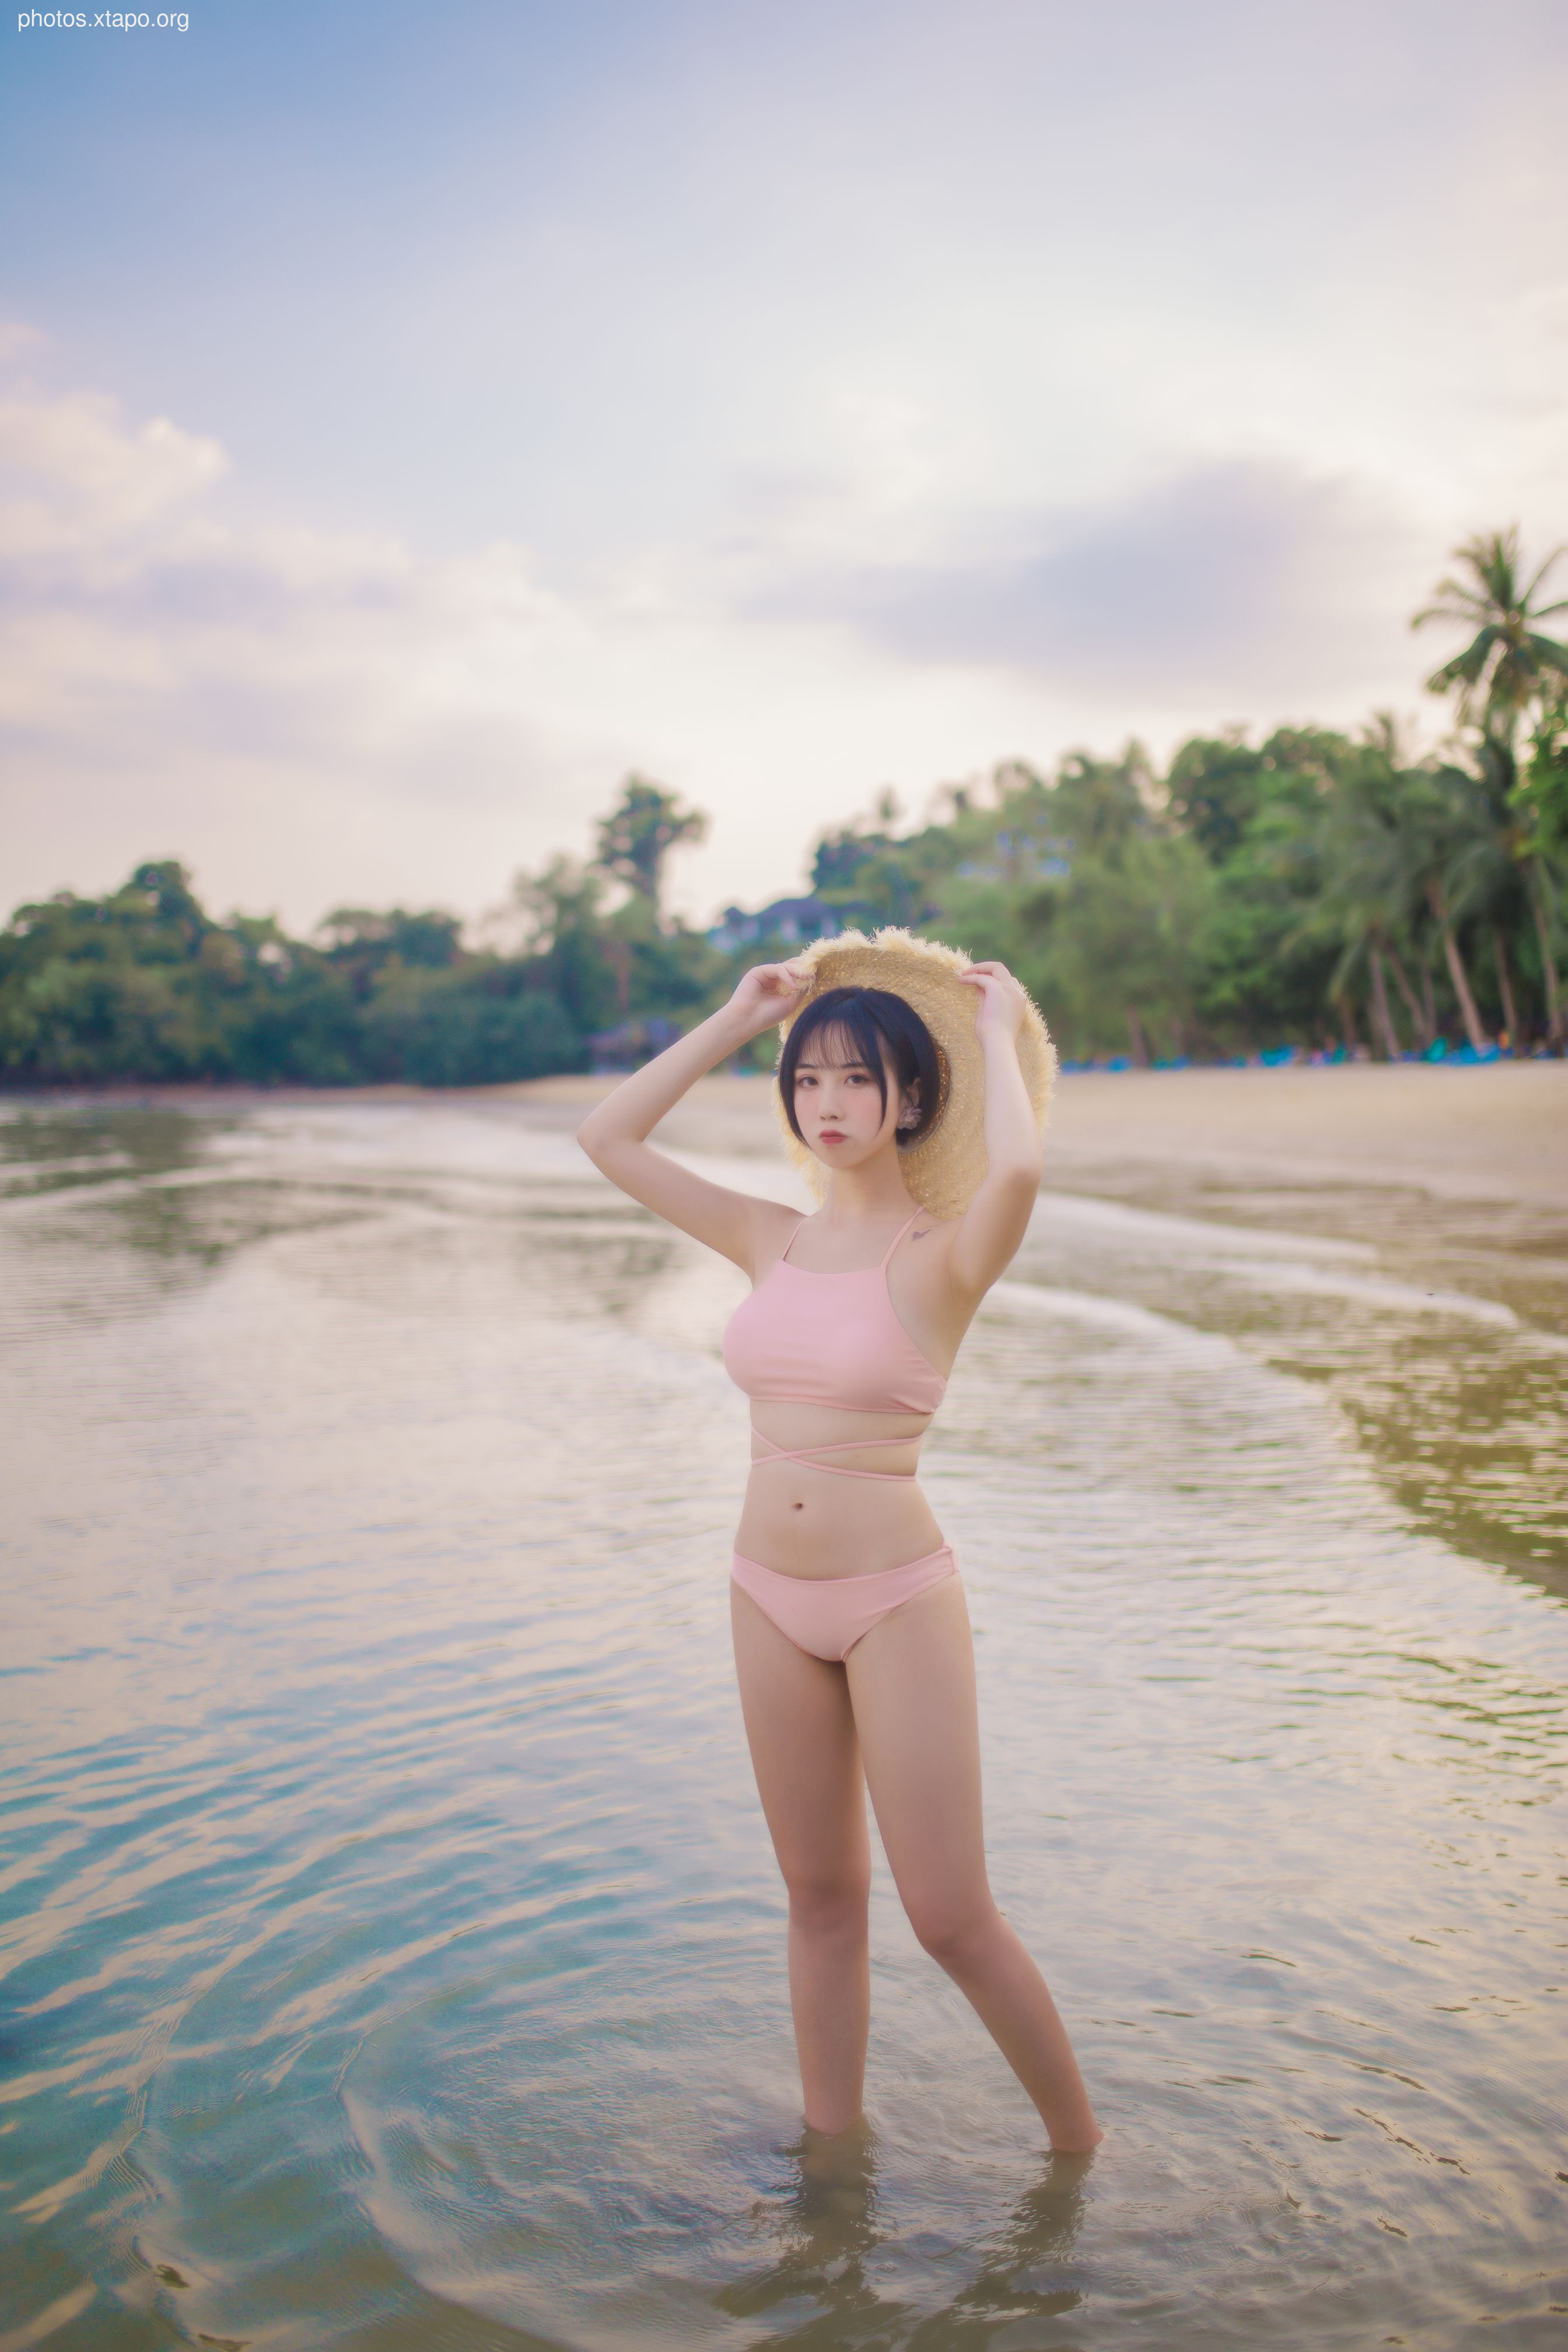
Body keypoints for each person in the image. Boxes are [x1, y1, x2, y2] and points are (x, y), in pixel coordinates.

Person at [576, 929, 1101, 2152]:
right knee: (819, 1899)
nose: (828, 1102)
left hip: (895, 1599)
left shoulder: (942, 1257)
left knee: (950, 1917)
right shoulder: (770, 1236)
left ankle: (1080, 2155)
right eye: (808, 1079)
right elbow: (608, 1140)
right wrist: (735, 1018)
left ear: (910, 1100)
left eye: (857, 1079)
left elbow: (1017, 1174)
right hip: (764, 1591)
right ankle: (832, 2174)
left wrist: (994, 1033)